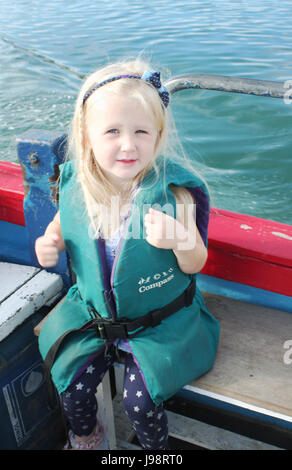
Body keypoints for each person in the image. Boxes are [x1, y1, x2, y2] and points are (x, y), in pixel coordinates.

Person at [35, 58, 220, 450]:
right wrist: (49, 243)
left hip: (162, 324)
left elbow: (195, 262)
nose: (128, 144)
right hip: (93, 314)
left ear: (158, 133)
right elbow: (61, 227)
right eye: (113, 131)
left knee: (139, 402)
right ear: (87, 136)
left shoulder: (172, 195)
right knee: (72, 385)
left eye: (140, 131)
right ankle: (87, 438)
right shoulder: (79, 187)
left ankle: (155, 452)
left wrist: (179, 239)